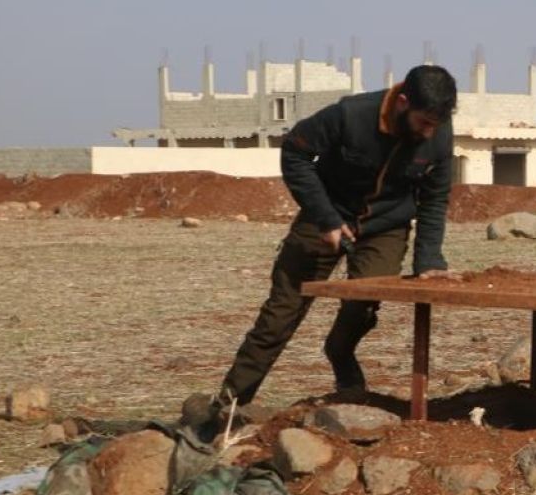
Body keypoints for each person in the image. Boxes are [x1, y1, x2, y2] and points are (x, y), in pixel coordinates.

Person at [188, 64, 459, 437]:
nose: (430, 131)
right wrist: (326, 218)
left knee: (364, 301)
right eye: (424, 121)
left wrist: (429, 259)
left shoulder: (440, 135)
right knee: (280, 316)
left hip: (384, 227)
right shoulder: (350, 115)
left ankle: (340, 350)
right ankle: (226, 409)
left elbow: (435, 197)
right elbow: (295, 155)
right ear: (403, 102)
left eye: (437, 123)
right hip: (324, 216)